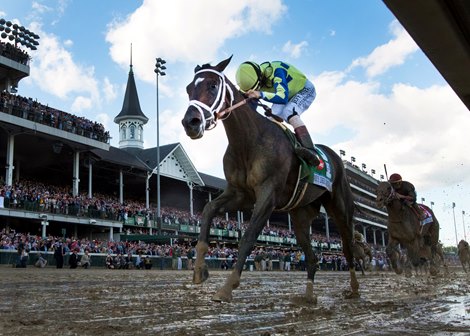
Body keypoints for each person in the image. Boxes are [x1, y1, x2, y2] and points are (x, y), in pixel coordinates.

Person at [235, 60, 320, 167]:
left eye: (257, 87)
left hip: (304, 90)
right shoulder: (255, 77)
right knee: (271, 119)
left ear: (260, 78)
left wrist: (260, 94)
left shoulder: (278, 72)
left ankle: (311, 151)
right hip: (287, 92)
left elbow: (282, 97)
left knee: (289, 112)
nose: (256, 89)